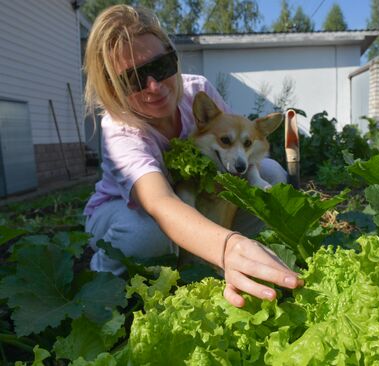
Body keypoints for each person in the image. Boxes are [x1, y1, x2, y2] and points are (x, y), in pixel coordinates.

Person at [82, 4, 302, 307]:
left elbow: (233, 150)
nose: (155, 87)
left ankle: (218, 262)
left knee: (272, 174)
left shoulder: (198, 91)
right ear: (112, 86)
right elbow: (159, 202)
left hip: (186, 198)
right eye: (133, 79)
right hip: (121, 210)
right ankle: (101, 276)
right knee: (149, 234)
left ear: (174, 58)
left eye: (161, 67)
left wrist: (227, 243)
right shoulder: (121, 130)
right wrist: (227, 246)